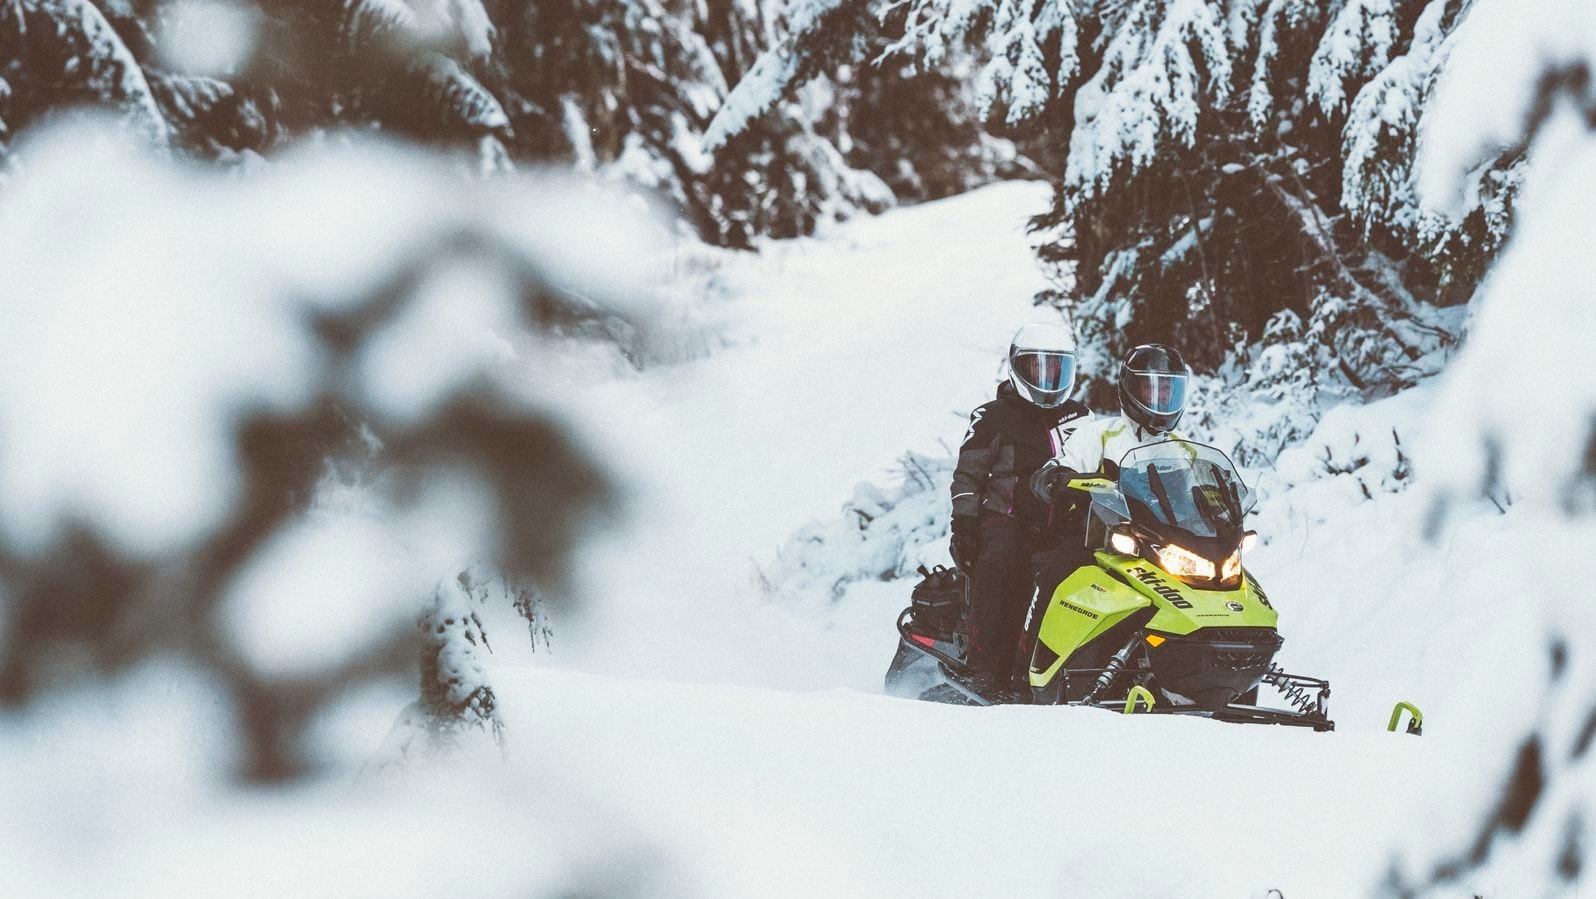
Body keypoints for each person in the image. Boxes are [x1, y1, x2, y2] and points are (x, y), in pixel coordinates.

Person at [949, 322, 1091, 689]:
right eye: (1037, 368)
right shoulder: (992, 416)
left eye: (1056, 368)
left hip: (1067, 523)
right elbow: (968, 476)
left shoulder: (1080, 418)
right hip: (1007, 519)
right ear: (1017, 368)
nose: (1047, 378)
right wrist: (963, 525)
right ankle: (986, 669)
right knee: (1002, 563)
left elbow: (1105, 460)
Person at [1027, 343, 1193, 603]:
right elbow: (1055, 468)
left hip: (1168, 546)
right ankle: (1036, 640)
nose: (1161, 396)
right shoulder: (1100, 434)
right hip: (1101, 542)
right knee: (1056, 573)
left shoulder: (1182, 446)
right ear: (1131, 388)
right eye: (1152, 387)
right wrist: (1056, 478)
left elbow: (1201, 492)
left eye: (1168, 388)